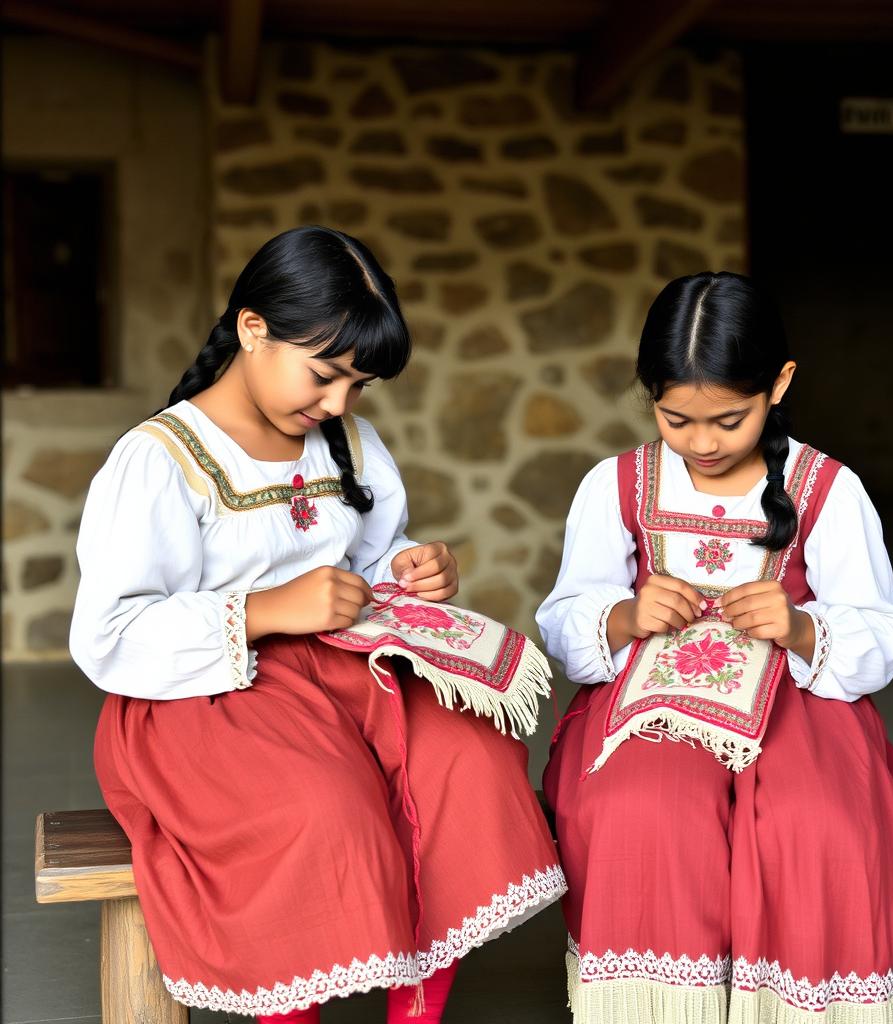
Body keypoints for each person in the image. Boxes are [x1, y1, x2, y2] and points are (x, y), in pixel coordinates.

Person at [70, 226, 565, 1023]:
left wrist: (409, 567)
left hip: (341, 675)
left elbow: (367, 556)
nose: (338, 404)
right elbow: (111, 636)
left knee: (470, 761)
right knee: (320, 811)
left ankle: (418, 1011)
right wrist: (267, 610)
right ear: (252, 329)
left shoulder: (348, 443)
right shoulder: (158, 460)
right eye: (326, 375)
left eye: (358, 386)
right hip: (206, 699)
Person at [537, 272, 893, 1023]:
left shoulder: (830, 487)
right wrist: (625, 617)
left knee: (814, 824)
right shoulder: (617, 485)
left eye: (729, 420)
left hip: (800, 705)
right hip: (648, 704)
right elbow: (566, 616)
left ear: (780, 384)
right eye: (675, 419)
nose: (702, 444)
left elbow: (880, 633)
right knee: (644, 813)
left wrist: (800, 628)